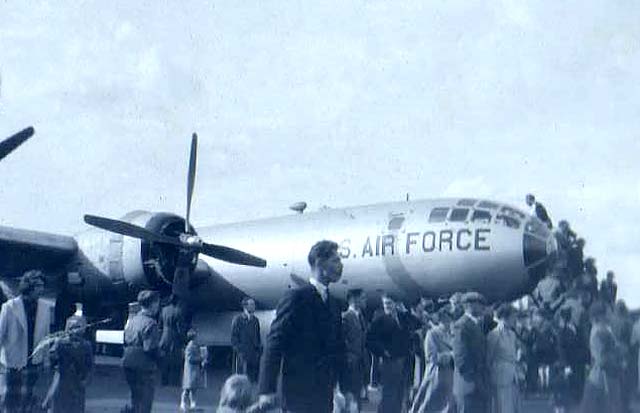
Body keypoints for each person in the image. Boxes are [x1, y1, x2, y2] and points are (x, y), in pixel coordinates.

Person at [256, 240, 350, 413]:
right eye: (335, 261)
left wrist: (345, 388)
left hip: (323, 396)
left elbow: (338, 349)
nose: (340, 266)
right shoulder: (296, 298)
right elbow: (274, 343)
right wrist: (266, 390)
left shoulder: (334, 304)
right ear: (320, 263)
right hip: (297, 397)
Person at [0, 270, 53, 413]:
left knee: (28, 402)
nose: (41, 289)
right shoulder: (9, 307)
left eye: (42, 285)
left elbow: (46, 336)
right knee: (10, 403)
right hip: (13, 363)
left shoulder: (45, 307)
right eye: (38, 285)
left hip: (34, 362)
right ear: (28, 286)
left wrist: (46, 359)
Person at [367, 293, 422, 413]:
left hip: (404, 363)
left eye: (389, 303)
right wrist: (383, 351)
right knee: (388, 398)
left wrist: (406, 311)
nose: (387, 306)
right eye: (385, 303)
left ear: (396, 304)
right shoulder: (379, 320)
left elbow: (418, 323)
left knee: (400, 396)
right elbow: (370, 341)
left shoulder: (403, 317)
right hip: (389, 364)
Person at [41, 315, 93, 413]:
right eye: (72, 328)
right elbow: (52, 357)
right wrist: (55, 346)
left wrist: (86, 380)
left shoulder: (86, 346)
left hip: (78, 382)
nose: (75, 331)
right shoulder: (61, 343)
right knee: (58, 405)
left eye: (78, 327)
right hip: (62, 380)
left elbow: (89, 366)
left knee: (76, 407)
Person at [122, 290, 161, 413]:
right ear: (153, 304)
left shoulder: (132, 321)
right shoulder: (150, 323)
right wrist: (161, 356)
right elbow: (150, 348)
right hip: (143, 365)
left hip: (128, 362)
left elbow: (125, 339)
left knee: (134, 397)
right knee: (144, 401)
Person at [410, 306, 455, 413]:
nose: (448, 322)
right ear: (441, 319)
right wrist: (452, 355)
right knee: (428, 404)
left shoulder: (454, 334)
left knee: (448, 407)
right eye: (445, 319)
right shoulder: (432, 334)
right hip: (435, 375)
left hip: (450, 377)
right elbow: (432, 357)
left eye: (450, 318)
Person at [580, 301, 623, 413]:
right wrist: (618, 361)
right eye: (608, 312)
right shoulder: (601, 331)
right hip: (603, 377)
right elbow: (604, 358)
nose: (611, 314)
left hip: (599, 375)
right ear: (600, 315)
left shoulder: (602, 329)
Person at [452, 291, 489, 413]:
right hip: (468, 381)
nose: (482, 307)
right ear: (469, 305)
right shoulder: (461, 325)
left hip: (477, 380)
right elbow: (460, 355)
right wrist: (471, 377)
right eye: (478, 304)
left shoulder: (476, 324)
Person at [486, 304, 520, 413]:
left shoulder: (512, 334)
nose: (515, 320)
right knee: (501, 407)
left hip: (512, 376)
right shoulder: (494, 334)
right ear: (505, 317)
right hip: (499, 376)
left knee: (512, 407)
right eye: (513, 317)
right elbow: (488, 357)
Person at [342, 288, 368, 411]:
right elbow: (341, 340)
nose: (365, 300)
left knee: (357, 398)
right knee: (349, 398)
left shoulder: (361, 317)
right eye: (363, 298)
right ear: (354, 300)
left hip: (360, 364)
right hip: (350, 365)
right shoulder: (346, 317)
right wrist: (349, 357)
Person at [231, 297, 262, 384]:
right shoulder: (238, 320)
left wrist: (258, 352)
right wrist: (240, 351)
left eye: (254, 304)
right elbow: (234, 338)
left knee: (253, 380)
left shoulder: (255, 321)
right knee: (242, 380)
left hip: (254, 356)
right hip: (243, 356)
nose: (254, 306)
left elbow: (257, 337)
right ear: (245, 306)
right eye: (251, 304)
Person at [159, 295, 187, 386]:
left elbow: (160, 324)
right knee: (176, 361)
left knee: (165, 360)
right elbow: (180, 328)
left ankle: (164, 381)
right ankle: (175, 382)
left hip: (164, 336)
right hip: (174, 338)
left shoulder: (164, 310)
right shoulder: (178, 311)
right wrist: (184, 338)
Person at [181, 329, 203, 411]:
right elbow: (189, 358)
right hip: (190, 370)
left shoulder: (196, 346)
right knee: (187, 388)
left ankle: (193, 403)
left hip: (194, 370)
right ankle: (183, 402)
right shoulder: (190, 347)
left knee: (193, 388)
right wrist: (200, 359)